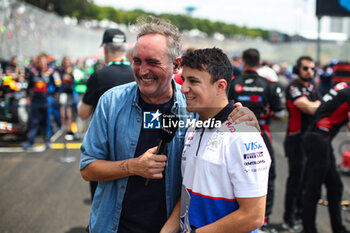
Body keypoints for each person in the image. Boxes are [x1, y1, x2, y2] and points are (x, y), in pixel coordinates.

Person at [80, 16, 259, 233]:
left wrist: (243, 117)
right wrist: (134, 166)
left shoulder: (194, 107)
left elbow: (227, 125)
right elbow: (88, 169)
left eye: (153, 62)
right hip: (111, 226)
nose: (142, 70)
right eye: (137, 61)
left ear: (176, 65)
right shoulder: (111, 102)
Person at [161, 47, 270, 233]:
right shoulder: (193, 129)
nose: (184, 88)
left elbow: (253, 216)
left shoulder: (243, 135)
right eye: (184, 79)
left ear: (220, 86)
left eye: (193, 81)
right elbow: (188, 193)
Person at [228, 48, 284, 233]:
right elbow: (280, 113)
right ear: (259, 63)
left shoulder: (233, 83)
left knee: (234, 176)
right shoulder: (269, 84)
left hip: (234, 134)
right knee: (267, 176)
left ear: (243, 61)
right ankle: (263, 221)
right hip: (261, 134)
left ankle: (239, 218)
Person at [78, 28, 134, 201]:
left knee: (102, 200)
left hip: (104, 150)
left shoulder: (99, 76)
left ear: (105, 50)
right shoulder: (137, 74)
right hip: (133, 146)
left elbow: (83, 113)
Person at [302, 82, 350, 233]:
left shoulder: (342, 87)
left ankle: (338, 229)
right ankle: (308, 229)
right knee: (313, 189)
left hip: (321, 139)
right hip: (318, 139)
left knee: (335, 187)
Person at [282, 56, 321, 232]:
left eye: (312, 69)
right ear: (297, 69)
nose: (309, 72)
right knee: (295, 182)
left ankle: (299, 215)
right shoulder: (292, 87)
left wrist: (316, 104)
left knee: (307, 182)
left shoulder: (312, 88)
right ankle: (288, 218)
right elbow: (309, 108)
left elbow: (319, 106)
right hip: (296, 139)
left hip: (310, 140)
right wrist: (316, 104)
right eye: (305, 68)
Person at [21, 52, 61, 149]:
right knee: (34, 121)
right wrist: (27, 98)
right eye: (39, 61)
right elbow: (29, 86)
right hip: (35, 100)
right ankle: (30, 141)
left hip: (47, 99)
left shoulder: (52, 72)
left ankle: (47, 140)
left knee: (47, 120)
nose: (41, 63)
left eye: (43, 61)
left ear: (46, 61)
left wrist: (53, 96)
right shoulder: (33, 72)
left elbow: (58, 85)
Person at [57, 56, 78, 138]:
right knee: (63, 112)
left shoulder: (72, 70)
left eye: (68, 62)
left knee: (69, 113)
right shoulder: (59, 71)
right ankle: (63, 127)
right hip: (62, 93)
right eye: (65, 62)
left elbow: (74, 81)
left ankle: (69, 129)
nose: (66, 63)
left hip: (70, 93)